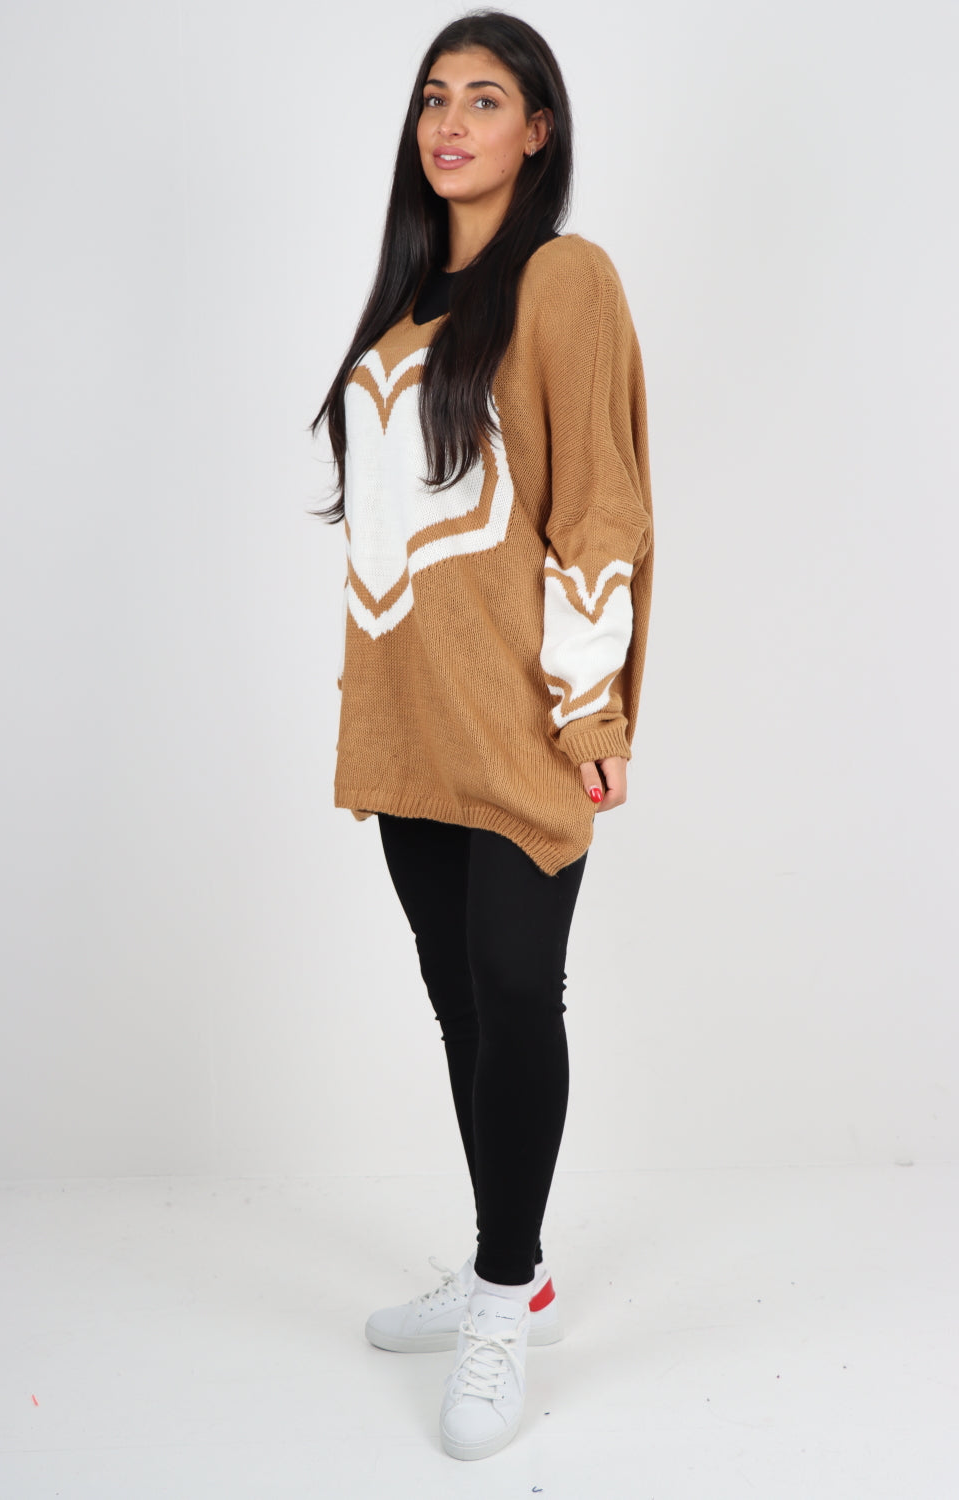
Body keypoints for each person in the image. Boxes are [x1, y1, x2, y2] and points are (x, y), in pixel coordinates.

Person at [311, 9, 654, 1463]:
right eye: (433, 99)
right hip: (408, 722)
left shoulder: (564, 279)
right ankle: (511, 1256)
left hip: (521, 718)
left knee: (519, 995)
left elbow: (599, 504)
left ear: (539, 129)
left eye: (486, 99)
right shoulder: (400, 309)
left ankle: (504, 1300)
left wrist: (591, 701)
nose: (450, 123)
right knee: (464, 1005)